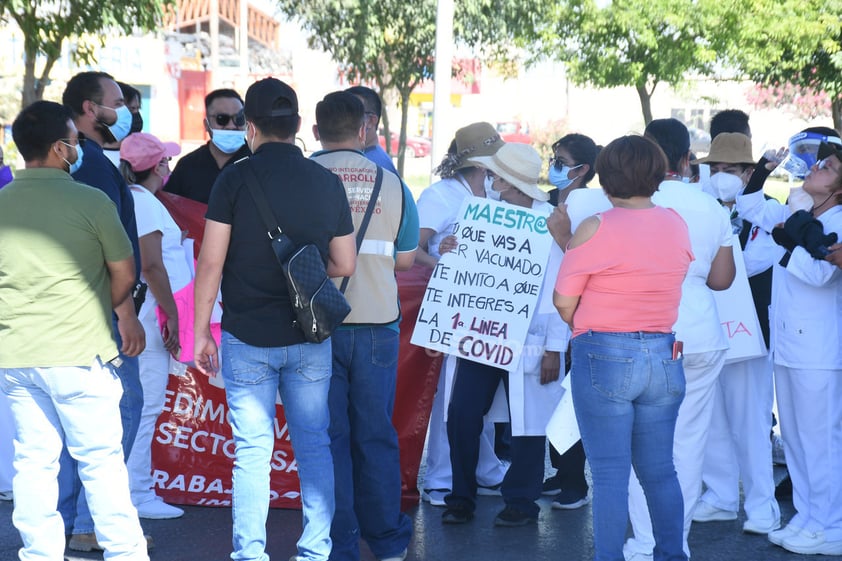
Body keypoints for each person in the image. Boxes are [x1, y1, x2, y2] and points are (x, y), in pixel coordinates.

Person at [193, 78, 357, 561]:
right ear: (299, 126)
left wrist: (200, 331)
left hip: (246, 337)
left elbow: (210, 262)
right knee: (314, 447)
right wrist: (301, 273)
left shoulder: (233, 178)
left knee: (251, 452)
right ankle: (314, 551)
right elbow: (345, 263)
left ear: (250, 127)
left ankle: (250, 554)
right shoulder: (326, 182)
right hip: (310, 337)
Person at [0, 99, 148, 561]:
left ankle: (39, 554)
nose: (79, 147)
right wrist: (96, 305)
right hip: (81, 353)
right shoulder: (91, 200)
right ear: (59, 148)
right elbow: (124, 274)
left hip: (19, 355)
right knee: (102, 464)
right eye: (76, 141)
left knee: (34, 465)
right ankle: (124, 553)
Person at [554, 134, 694, 561]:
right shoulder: (675, 221)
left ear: (606, 178)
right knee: (660, 471)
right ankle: (673, 555)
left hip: (604, 354)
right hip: (664, 353)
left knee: (611, 475)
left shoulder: (595, 226)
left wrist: (565, 240)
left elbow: (564, 302)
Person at [310, 91, 418, 561]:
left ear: (315, 132)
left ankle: (339, 545)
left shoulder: (303, 177)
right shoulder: (393, 183)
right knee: (375, 435)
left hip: (316, 323)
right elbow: (407, 258)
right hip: (377, 325)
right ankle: (389, 542)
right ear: (363, 130)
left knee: (329, 437)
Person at [623, 118, 736, 561]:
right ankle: (674, 544)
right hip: (701, 335)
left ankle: (646, 544)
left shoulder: (630, 202)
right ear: (687, 158)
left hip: (645, 332)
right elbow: (721, 279)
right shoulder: (709, 205)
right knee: (688, 445)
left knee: (642, 444)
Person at [441, 143, 566, 527]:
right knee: (462, 413)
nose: (490, 180)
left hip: (532, 339)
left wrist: (554, 349)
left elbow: (560, 288)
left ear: (512, 185)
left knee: (527, 422)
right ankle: (461, 496)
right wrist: (449, 250)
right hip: (483, 333)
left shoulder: (551, 222)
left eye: (495, 176)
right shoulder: (481, 216)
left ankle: (521, 501)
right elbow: (464, 268)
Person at [735, 139, 842, 556]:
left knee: (821, 441)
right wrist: (763, 169)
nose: (816, 168)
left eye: (828, 167)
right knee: (796, 439)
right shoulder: (802, 210)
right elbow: (749, 207)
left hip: (820, 349)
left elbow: (820, 275)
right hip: (790, 343)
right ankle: (808, 517)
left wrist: (788, 242)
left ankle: (831, 525)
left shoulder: (835, 217)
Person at [59, 70, 149, 552]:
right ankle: (88, 521)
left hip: (92, 314)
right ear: (91, 110)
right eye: (118, 102)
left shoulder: (89, 163)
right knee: (121, 410)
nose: (128, 112)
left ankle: (78, 522)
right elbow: (109, 252)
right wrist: (124, 312)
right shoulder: (91, 167)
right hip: (107, 317)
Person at [691, 133, 782, 534]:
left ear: (750, 172)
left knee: (750, 418)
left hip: (751, 334)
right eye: (715, 168)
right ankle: (721, 496)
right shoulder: (698, 209)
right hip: (707, 328)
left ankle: (762, 504)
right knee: (708, 418)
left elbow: (754, 264)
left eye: (730, 169)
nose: (720, 175)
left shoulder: (768, 213)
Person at [415, 122, 509, 507]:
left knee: (479, 399)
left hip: (487, 310)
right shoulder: (440, 196)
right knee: (451, 395)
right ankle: (442, 477)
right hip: (451, 310)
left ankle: (483, 468)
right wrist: (443, 260)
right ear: (483, 162)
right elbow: (411, 250)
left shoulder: (492, 193)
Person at [119, 132, 191, 520]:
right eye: (166, 160)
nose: (169, 167)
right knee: (145, 405)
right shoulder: (142, 202)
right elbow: (152, 264)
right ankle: (137, 492)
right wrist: (175, 317)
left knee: (141, 403)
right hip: (150, 316)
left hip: (147, 313)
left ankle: (134, 489)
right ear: (159, 166)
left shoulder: (140, 200)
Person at [542, 132, 600, 509]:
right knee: (548, 400)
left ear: (583, 169)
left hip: (575, 311)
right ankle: (559, 472)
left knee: (573, 399)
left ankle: (575, 482)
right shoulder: (545, 202)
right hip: (542, 312)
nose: (555, 167)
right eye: (554, 158)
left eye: (561, 160)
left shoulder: (591, 207)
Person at [165, 88, 251, 203]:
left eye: (239, 119)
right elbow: (171, 208)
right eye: (222, 119)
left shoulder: (259, 162)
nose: (231, 126)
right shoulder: (188, 166)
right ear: (206, 124)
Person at [345, 85, 400, 177]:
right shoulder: (362, 160)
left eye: (351, 112)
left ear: (371, 120)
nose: (342, 118)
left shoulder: (374, 166)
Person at [546, 133, 600, 206]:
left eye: (561, 162)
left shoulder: (591, 206)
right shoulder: (547, 198)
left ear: (583, 169)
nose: (553, 166)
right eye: (554, 160)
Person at [103, 82, 144, 167]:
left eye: (138, 109)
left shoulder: (142, 156)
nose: (136, 115)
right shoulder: (88, 156)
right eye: (131, 109)